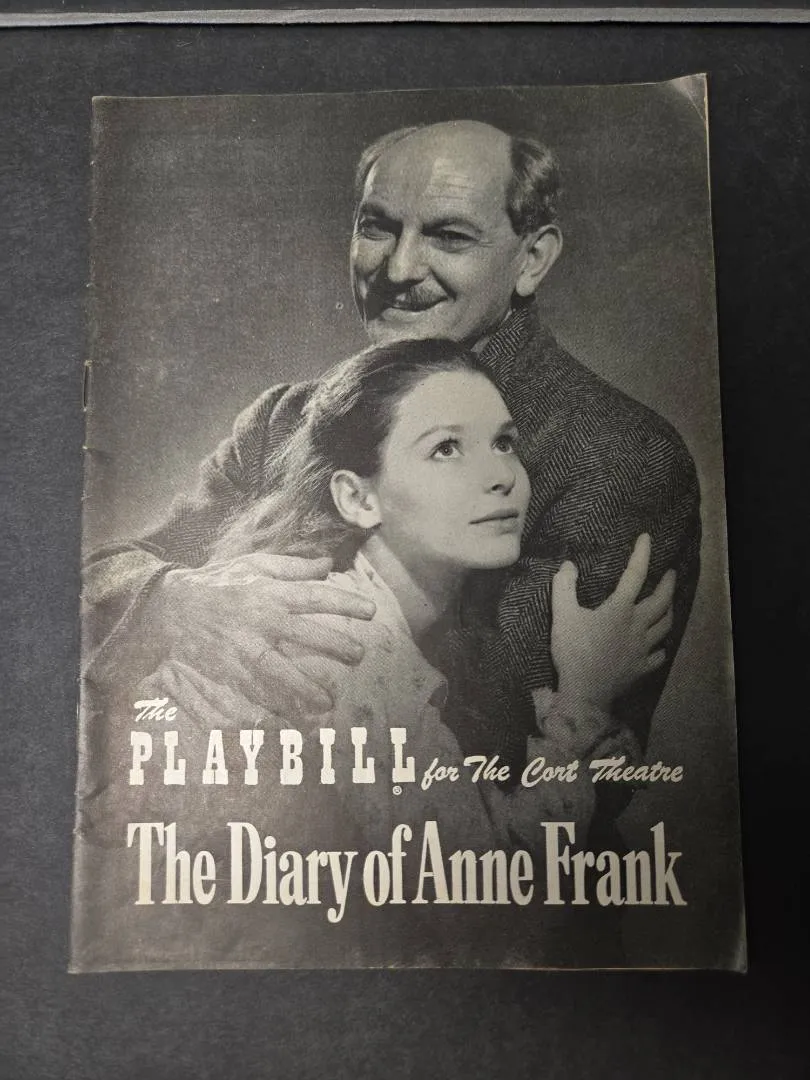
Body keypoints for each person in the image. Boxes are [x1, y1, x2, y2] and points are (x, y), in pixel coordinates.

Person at [83, 119, 700, 841]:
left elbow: (502, 763)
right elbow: (99, 584)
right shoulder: (285, 418)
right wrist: (172, 603)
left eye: (449, 237)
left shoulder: (615, 454)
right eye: (376, 227)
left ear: (531, 260)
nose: (400, 268)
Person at [91, 341, 672, 968]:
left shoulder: (365, 615)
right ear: (358, 498)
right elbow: (488, 913)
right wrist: (584, 701)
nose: (502, 474)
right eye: (447, 448)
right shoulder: (345, 642)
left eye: (504, 442)